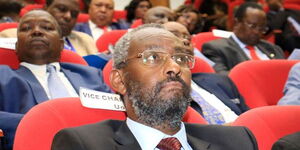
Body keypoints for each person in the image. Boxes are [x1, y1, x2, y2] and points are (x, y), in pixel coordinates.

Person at [51, 24, 258, 150]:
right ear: (119, 81)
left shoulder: (238, 141)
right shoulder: (83, 144)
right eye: (152, 57)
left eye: (181, 58)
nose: (175, 67)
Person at [0, 10, 112, 150]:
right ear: (16, 47)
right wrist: (45, 123)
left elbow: (115, 114)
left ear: (60, 45)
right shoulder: (3, 76)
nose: (36, 32)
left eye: (46, 28)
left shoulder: (90, 75)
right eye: (26, 28)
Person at [163, 22, 248, 124]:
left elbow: (250, 116)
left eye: (187, 37)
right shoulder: (159, 92)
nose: (185, 40)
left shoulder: (221, 81)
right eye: (174, 35)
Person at [202, 2, 284, 75]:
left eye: (262, 28)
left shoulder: (273, 48)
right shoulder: (216, 48)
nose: (257, 31)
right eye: (252, 26)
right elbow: (222, 78)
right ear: (237, 22)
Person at [0, 0, 98, 56]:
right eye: (61, 9)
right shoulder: (11, 35)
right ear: (46, 8)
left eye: (74, 14)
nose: (68, 16)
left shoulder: (86, 40)